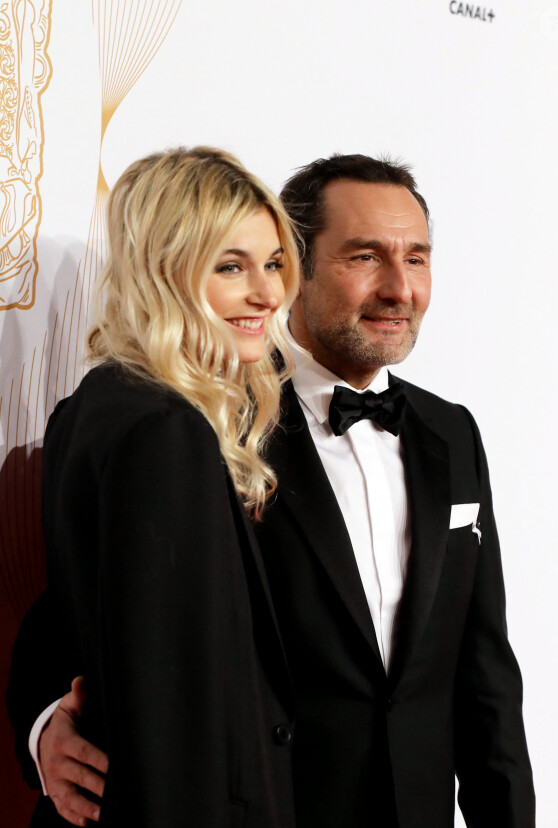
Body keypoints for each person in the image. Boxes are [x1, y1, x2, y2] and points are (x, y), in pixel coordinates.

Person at [9, 153, 535, 827]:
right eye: (365, 257)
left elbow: (483, 670)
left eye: (418, 258)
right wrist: (49, 724)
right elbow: (79, 608)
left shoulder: (450, 433)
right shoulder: (217, 418)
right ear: (305, 265)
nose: (399, 288)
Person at [8, 146, 301, 827]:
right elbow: (176, 715)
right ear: (165, 270)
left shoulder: (96, 405)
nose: (268, 293)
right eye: (231, 265)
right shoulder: (165, 432)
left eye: (274, 262)